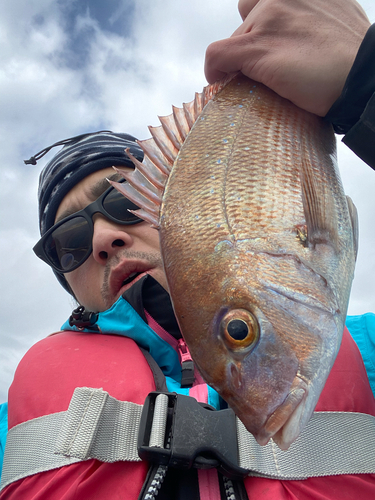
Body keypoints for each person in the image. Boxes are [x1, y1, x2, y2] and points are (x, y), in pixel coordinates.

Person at [0, 0, 375, 499]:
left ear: (176, 214)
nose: (100, 238)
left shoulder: (365, 348)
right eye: (67, 242)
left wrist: (367, 84)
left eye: (120, 200)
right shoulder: (15, 421)